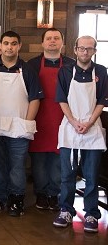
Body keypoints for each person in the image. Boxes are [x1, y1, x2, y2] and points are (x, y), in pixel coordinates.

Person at [0, 30, 43, 217]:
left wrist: (27, 122)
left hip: (19, 128)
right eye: (6, 43)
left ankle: (16, 199)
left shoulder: (28, 70)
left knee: (17, 166)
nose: (9, 47)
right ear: (1, 46)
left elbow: (35, 99)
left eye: (13, 43)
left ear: (19, 46)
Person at [53, 35, 108, 233]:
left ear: (94, 51)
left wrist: (89, 122)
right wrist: (75, 122)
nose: (85, 52)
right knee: (67, 175)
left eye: (89, 49)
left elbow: (102, 101)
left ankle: (92, 212)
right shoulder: (65, 71)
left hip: (92, 129)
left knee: (92, 175)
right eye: (82, 48)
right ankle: (65, 210)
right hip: (70, 128)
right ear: (75, 49)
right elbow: (62, 100)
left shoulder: (101, 71)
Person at [27, 28, 75, 211]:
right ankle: (40, 193)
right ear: (42, 43)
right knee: (38, 161)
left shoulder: (72, 64)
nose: (52, 41)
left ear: (62, 43)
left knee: (58, 160)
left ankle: (53, 194)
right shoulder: (31, 65)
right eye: (49, 38)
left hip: (64, 119)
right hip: (39, 118)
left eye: (56, 38)